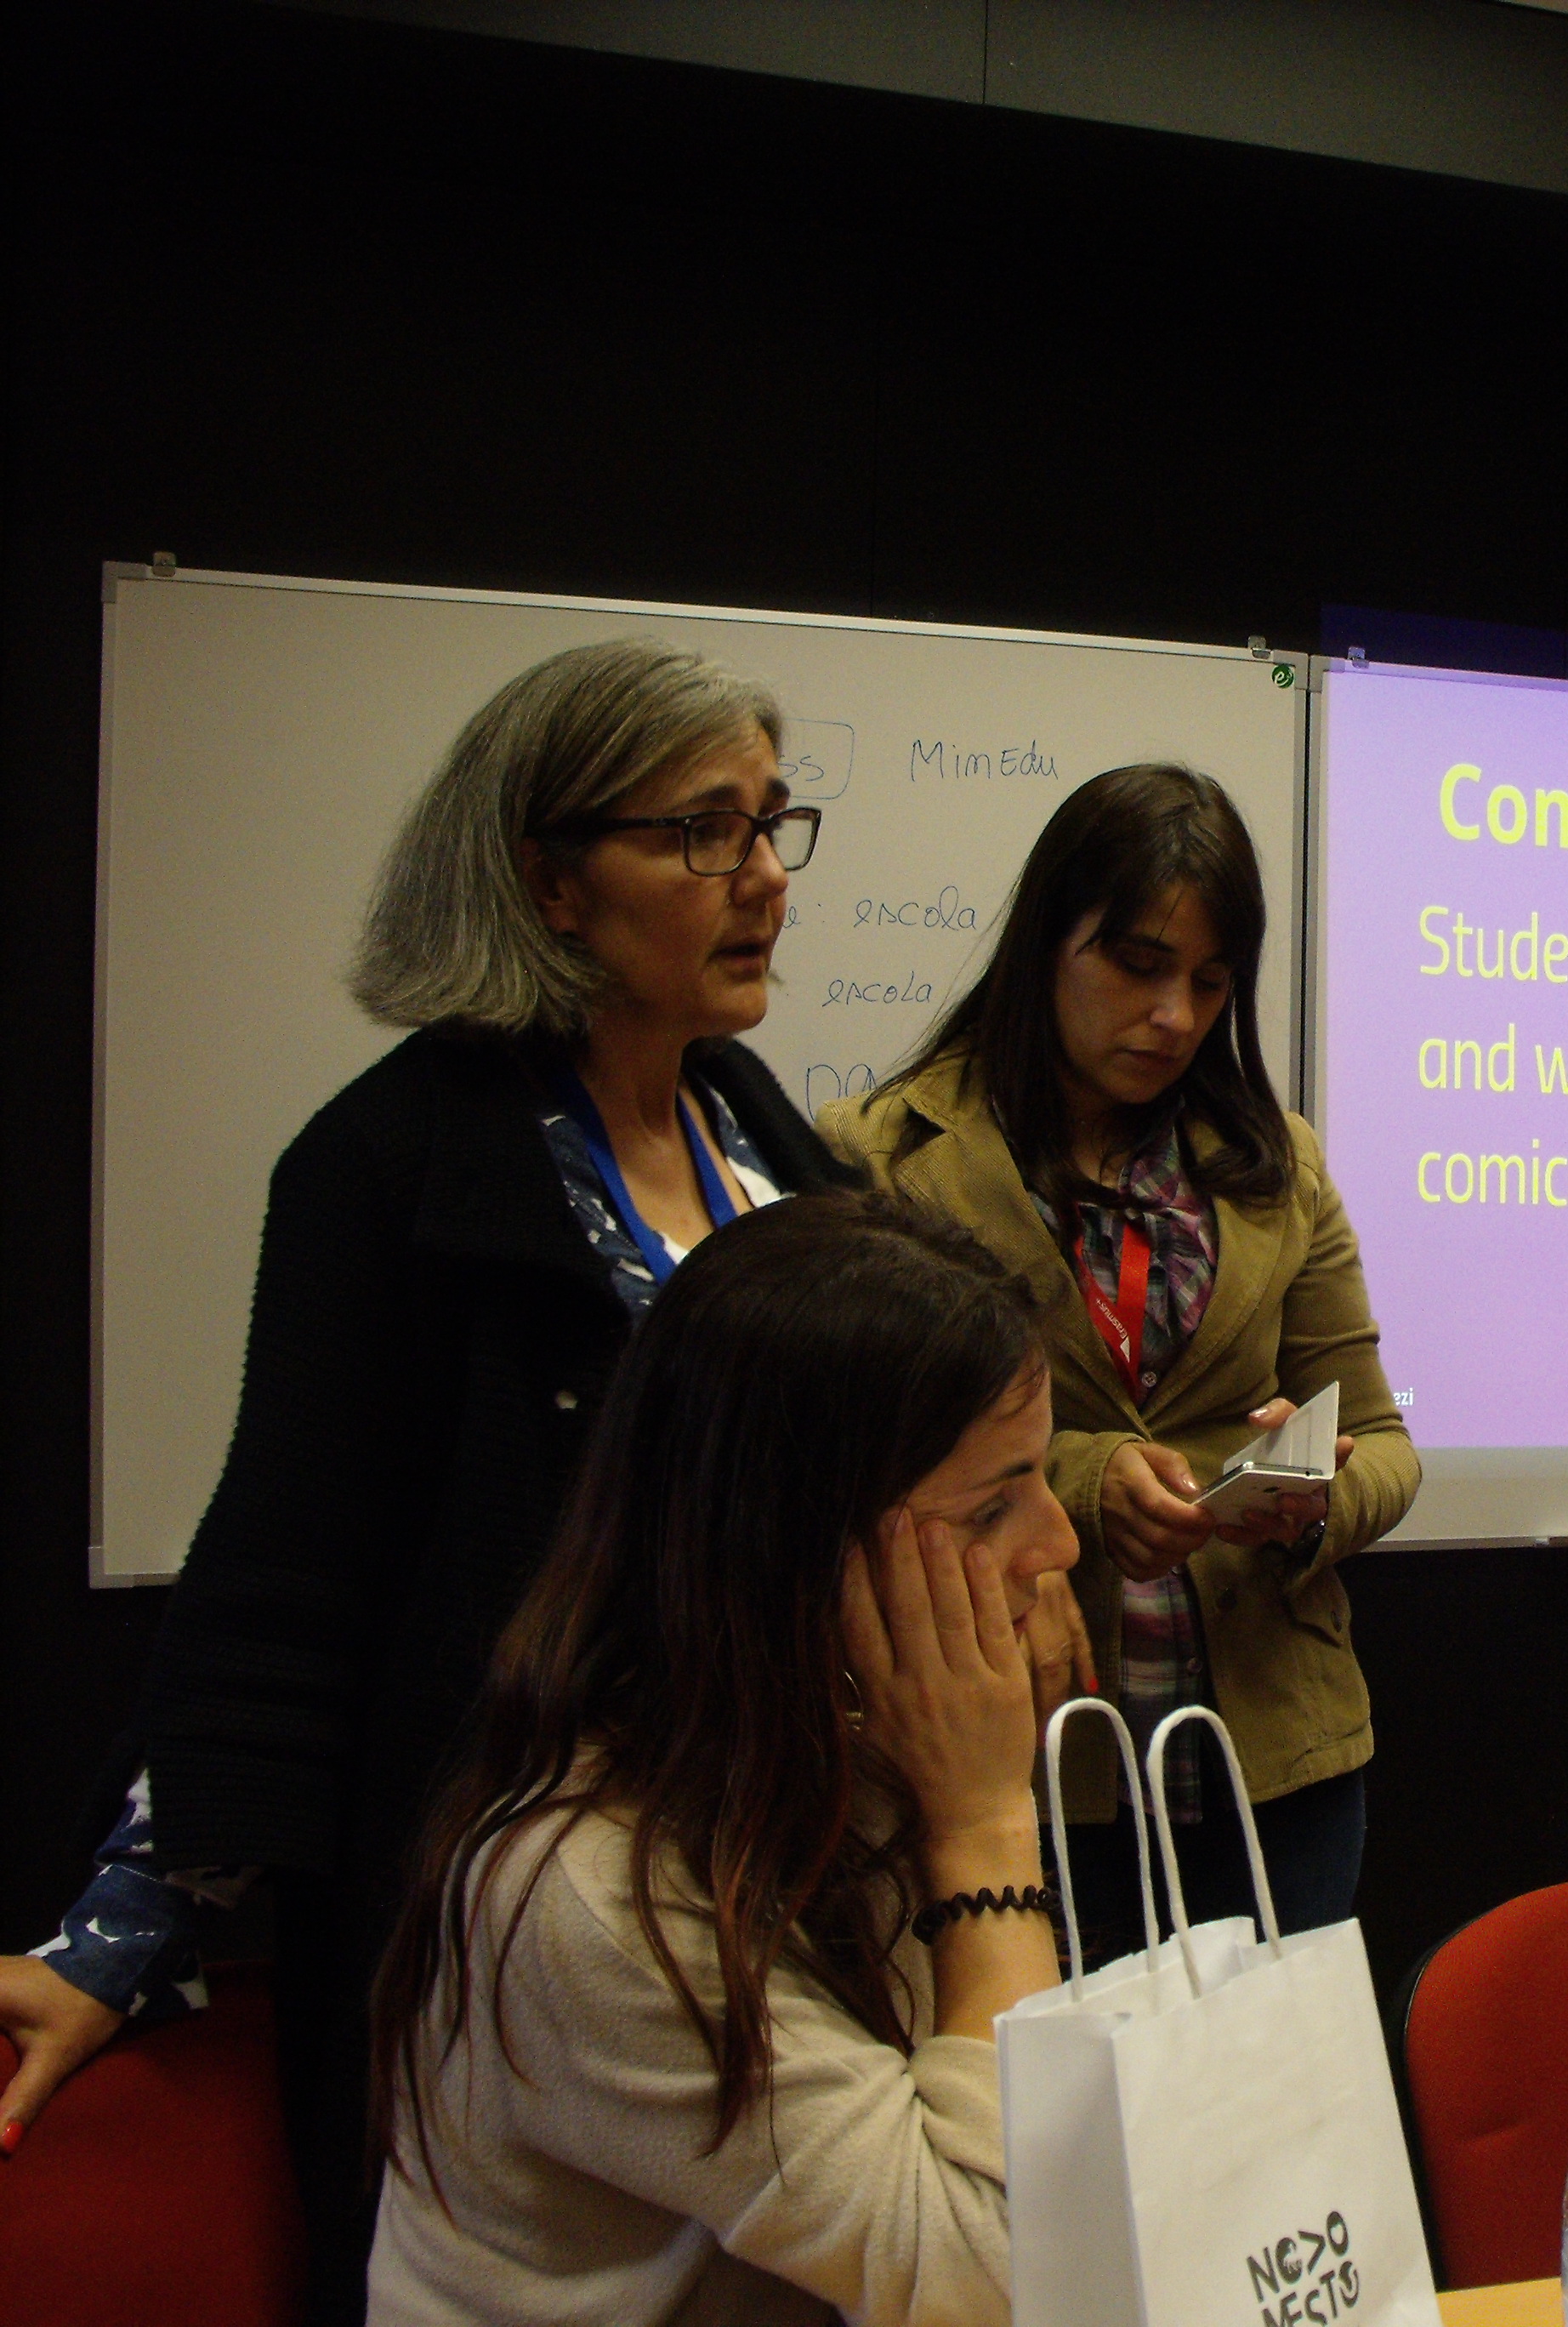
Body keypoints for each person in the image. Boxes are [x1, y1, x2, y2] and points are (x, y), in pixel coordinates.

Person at [0, 640, 850, 2321]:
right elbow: (284, 1579)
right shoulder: (386, 1164)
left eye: (770, 823)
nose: (762, 876)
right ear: (551, 881)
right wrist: (118, 1932)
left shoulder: (755, 1127)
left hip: (769, 1880)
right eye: (702, 831)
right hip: (511, 1930)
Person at [367, 1193, 1092, 2327]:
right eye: (994, 1507)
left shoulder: (840, 1740)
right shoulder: (589, 1892)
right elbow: (1005, 2277)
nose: (1061, 1544)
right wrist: (985, 1826)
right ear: (792, 1544)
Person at [821, 763, 1417, 1960]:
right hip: (1016, 1761)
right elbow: (851, 1461)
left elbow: (1388, 1448)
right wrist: (1088, 1481)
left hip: (1273, 1763)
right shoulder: (883, 1159)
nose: (1175, 1018)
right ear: (1049, 943)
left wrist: (1304, 1502)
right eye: (1139, 966)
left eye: (1210, 982)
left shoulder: (1276, 1162)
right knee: (1023, 2078)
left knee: (1269, 2081)